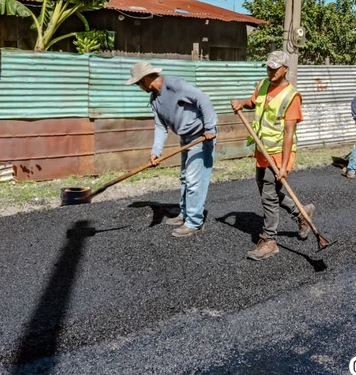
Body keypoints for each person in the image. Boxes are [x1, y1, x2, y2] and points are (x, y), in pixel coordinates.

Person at [230, 50, 315, 261]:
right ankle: (301, 213)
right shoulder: (262, 85)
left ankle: (269, 240)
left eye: (275, 69)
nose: (270, 71)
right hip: (261, 148)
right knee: (268, 190)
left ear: (286, 69)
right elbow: (254, 102)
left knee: (269, 194)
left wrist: (284, 166)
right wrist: (242, 102)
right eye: (268, 67)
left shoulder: (291, 96)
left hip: (278, 152)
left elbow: (288, 133)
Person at [125, 60, 217, 238]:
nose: (138, 86)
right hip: (186, 137)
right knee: (185, 178)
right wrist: (155, 152)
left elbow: (203, 98)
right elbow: (160, 127)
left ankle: (194, 222)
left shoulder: (175, 84)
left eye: (137, 83)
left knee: (194, 180)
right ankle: (185, 214)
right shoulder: (155, 100)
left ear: (145, 79)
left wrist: (210, 127)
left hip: (201, 136)